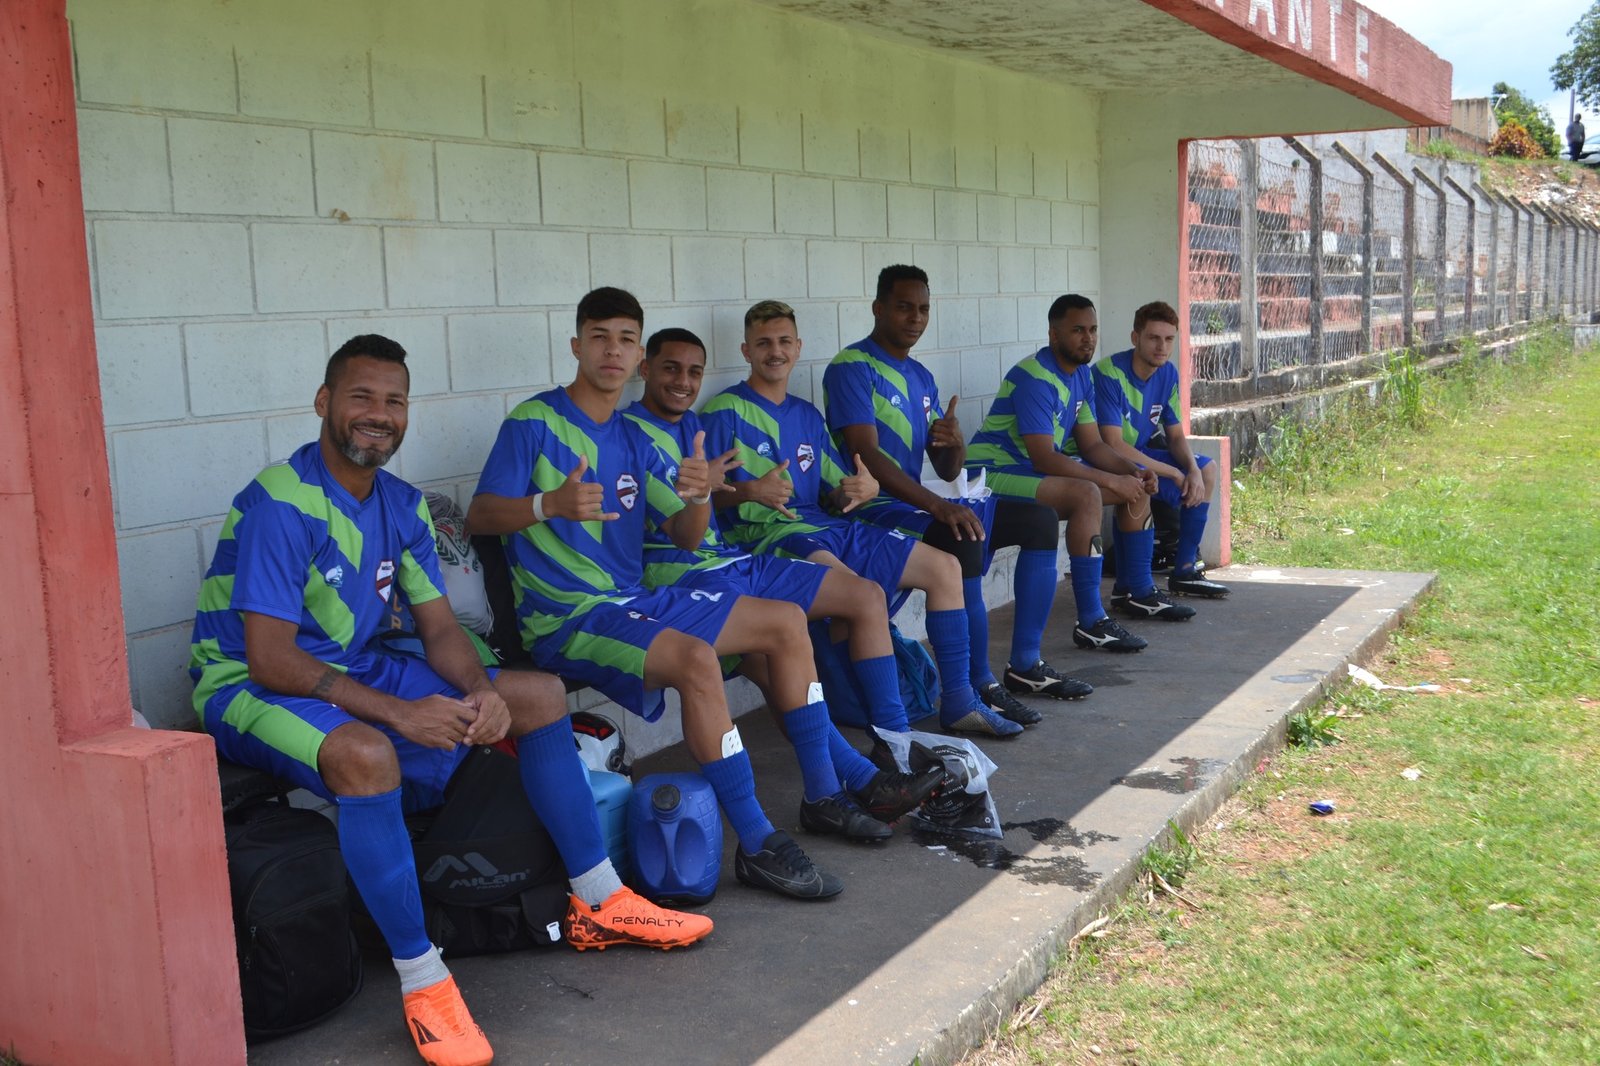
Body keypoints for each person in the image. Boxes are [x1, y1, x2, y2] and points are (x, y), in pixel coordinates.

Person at [189, 335, 710, 1066]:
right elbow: (272, 658)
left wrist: (478, 691)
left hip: (352, 662)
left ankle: (598, 898)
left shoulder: (400, 504)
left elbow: (438, 627)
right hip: (244, 680)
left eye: (393, 401)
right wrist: (399, 713)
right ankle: (422, 980)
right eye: (360, 397)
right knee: (368, 756)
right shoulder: (284, 499)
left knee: (535, 693)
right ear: (324, 404)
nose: (378, 414)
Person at [467, 288, 846, 901]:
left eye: (624, 339)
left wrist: (698, 493)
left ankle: (825, 795)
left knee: (783, 622)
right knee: (697, 659)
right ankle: (756, 841)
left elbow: (685, 535)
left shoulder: (635, 437)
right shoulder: (533, 422)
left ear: (636, 354)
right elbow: (480, 515)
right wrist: (548, 505)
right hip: (566, 616)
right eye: (599, 337)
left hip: (630, 599)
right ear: (576, 345)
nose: (611, 351)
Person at [703, 300, 1078, 740]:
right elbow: (699, 502)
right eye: (763, 343)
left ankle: (960, 701)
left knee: (945, 568)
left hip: (832, 528)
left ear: (799, 347)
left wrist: (857, 489)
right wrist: (748, 492)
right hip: (770, 537)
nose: (775, 351)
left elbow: (833, 488)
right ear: (746, 351)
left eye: (784, 341)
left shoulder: (805, 415)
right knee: (863, 595)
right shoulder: (721, 412)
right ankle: (895, 735)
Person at [621, 326, 943, 836]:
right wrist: (733, 491)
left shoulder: (694, 427)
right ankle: (834, 791)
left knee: (863, 595)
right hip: (677, 575)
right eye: (670, 369)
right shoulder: (626, 434)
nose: (683, 382)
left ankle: (894, 750)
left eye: (693, 372)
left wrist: (855, 488)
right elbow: (686, 530)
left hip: (729, 561)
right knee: (775, 641)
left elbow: (721, 494)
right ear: (645, 368)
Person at [822, 267, 1090, 733]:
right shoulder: (851, 367)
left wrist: (954, 444)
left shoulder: (922, 376)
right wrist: (935, 504)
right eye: (904, 307)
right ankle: (976, 686)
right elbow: (866, 454)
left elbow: (946, 468)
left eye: (923, 308)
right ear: (878, 308)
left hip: (912, 503)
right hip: (870, 509)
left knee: (1038, 522)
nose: (915, 318)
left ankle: (1025, 664)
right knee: (959, 534)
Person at [968, 295, 1196, 651]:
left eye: (1092, 330)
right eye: (1077, 330)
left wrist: (1132, 470)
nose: (1088, 338)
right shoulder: (1035, 377)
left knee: (1132, 486)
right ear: (1053, 334)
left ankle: (1137, 591)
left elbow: (1093, 446)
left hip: (1029, 472)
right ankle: (1092, 620)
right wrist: (1108, 479)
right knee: (1087, 493)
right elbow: (1044, 457)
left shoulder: (1081, 377)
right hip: (991, 475)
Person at [1093, 301, 1229, 599]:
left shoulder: (1167, 373)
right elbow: (1113, 445)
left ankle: (1184, 571)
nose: (1162, 346)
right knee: (1141, 482)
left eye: (1169, 339)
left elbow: (1176, 436)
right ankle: (1129, 587)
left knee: (1206, 470)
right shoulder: (1108, 373)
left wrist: (1191, 470)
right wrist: (1174, 474)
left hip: (1140, 453)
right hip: (1104, 459)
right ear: (1135, 338)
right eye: (1154, 337)